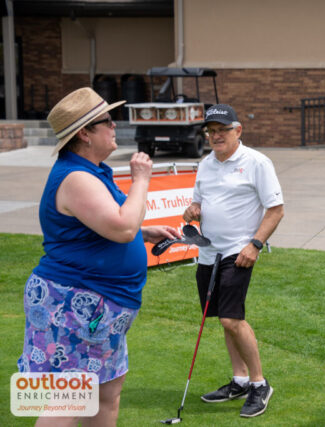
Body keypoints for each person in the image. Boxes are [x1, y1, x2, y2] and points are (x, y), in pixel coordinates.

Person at [17, 87, 181, 426]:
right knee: (71, 398)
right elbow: (121, 227)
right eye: (108, 121)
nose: (115, 127)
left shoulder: (93, 171)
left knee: (107, 393)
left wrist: (144, 232)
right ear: (84, 133)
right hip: (76, 300)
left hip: (104, 305)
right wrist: (141, 179)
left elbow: (115, 223)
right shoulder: (77, 177)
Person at [182, 104, 284, 418]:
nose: (216, 136)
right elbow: (198, 201)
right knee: (222, 317)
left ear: (237, 131)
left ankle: (259, 384)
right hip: (208, 252)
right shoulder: (206, 164)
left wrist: (254, 245)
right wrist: (192, 210)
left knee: (231, 319)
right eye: (211, 131)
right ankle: (239, 380)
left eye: (222, 131)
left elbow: (276, 209)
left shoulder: (256, 162)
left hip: (239, 253)